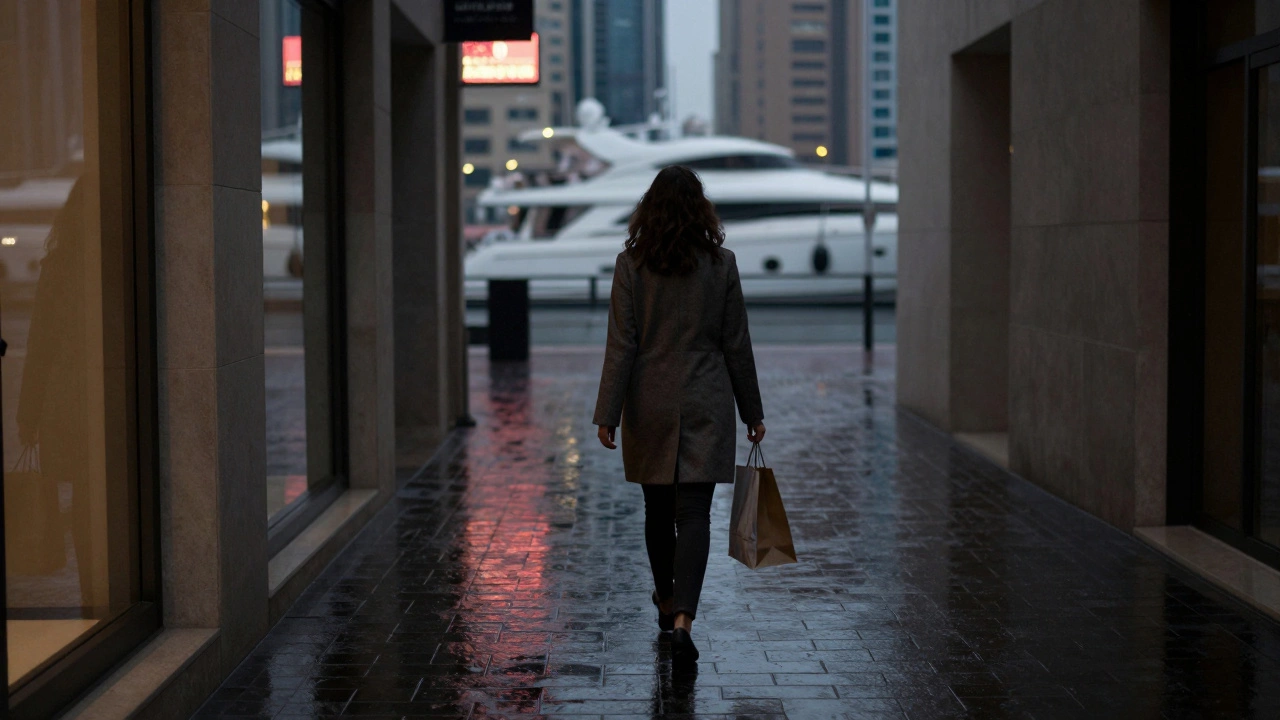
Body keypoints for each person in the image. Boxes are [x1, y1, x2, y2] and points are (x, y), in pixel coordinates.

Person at [593, 165, 765, 662]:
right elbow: (737, 344)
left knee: (656, 510)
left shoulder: (631, 264)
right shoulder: (722, 263)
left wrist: (608, 413)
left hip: (650, 399)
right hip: (707, 398)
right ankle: (686, 618)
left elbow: (622, 345)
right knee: (694, 514)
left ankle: (666, 603)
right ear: (700, 210)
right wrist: (752, 410)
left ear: (650, 208)